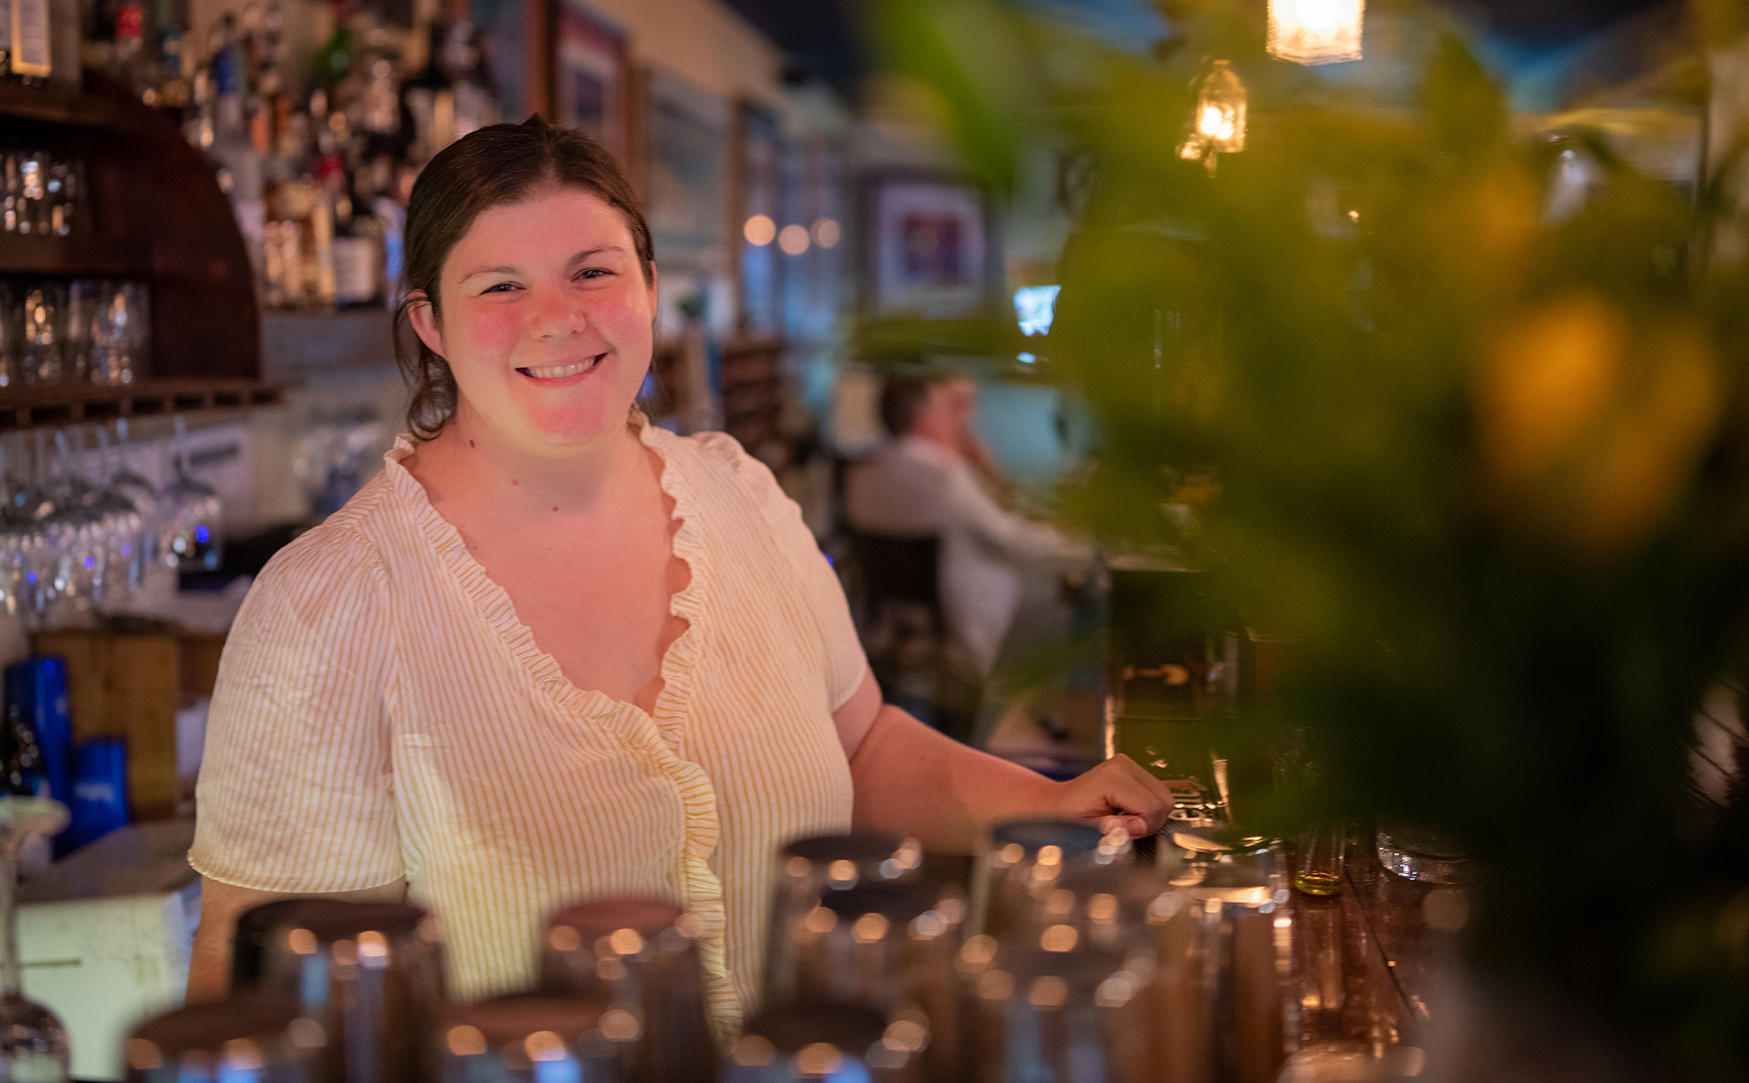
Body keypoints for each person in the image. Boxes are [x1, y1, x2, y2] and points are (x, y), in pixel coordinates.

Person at [184, 119, 1171, 1026]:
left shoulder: (740, 494)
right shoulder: (327, 601)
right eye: (499, 285)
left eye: (592, 271)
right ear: (430, 321)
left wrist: (1039, 805)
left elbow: (864, 746)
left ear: (650, 286)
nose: (558, 317)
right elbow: (266, 997)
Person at [845, 372, 1093, 674]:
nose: (964, 419)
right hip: (967, 626)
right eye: (951, 408)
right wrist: (1075, 538)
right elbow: (1012, 538)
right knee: (1070, 612)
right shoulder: (945, 474)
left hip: (888, 625)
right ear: (923, 416)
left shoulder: (860, 472)